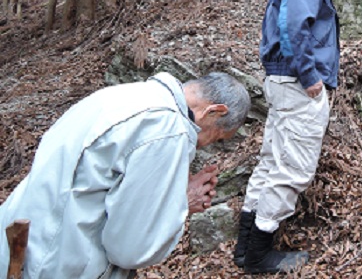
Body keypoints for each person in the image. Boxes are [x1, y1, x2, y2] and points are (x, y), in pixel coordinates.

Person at [0, 71, 251, 279]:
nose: (205, 144)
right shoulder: (167, 129)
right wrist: (181, 202)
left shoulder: (127, 95)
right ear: (214, 111)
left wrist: (171, 196)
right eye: (216, 137)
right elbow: (130, 248)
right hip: (55, 265)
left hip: (17, 244)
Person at [234, 0, 343, 275]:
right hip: (297, 84)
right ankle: (259, 256)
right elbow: (294, 26)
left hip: (283, 81)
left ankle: (245, 249)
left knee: (272, 161)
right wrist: (309, 75)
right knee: (293, 168)